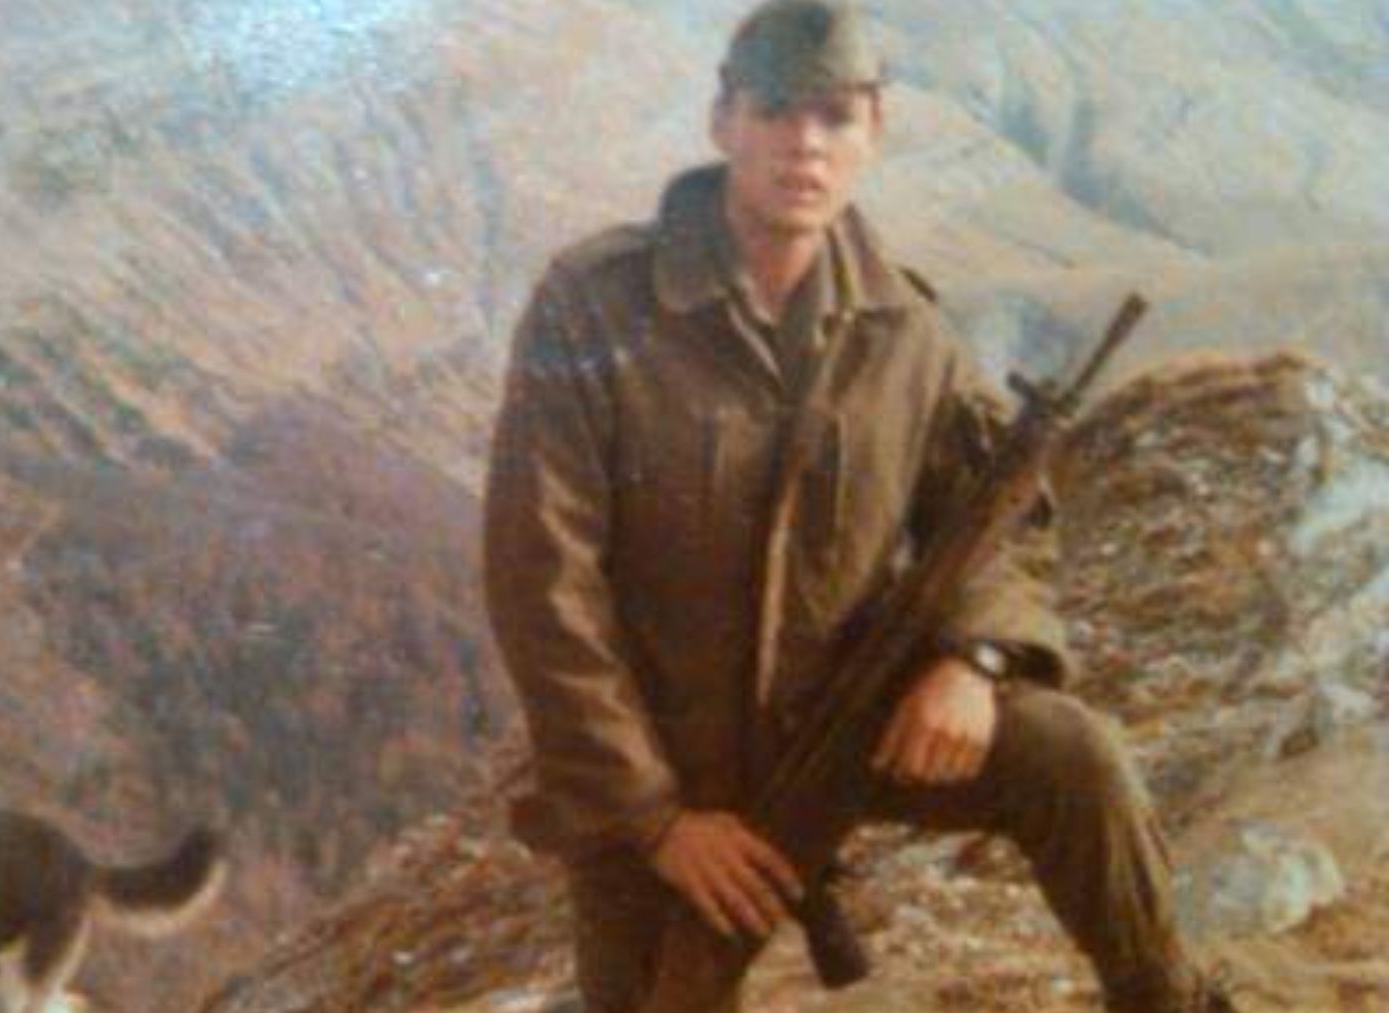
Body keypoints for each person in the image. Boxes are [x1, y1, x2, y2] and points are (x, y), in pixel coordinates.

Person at [481, 2, 1233, 1011]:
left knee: (1071, 753)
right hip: (660, 773)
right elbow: (543, 577)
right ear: (723, 121)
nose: (805, 143)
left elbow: (999, 515)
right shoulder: (598, 301)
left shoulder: (905, 329)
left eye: (836, 116)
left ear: (873, 133)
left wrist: (976, 656)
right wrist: (655, 817)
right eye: (778, 110)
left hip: (843, 730)